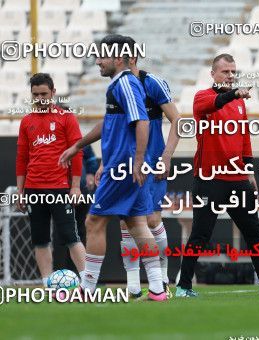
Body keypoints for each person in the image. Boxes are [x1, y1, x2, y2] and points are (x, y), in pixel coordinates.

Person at [59, 35, 167, 301]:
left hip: (122, 167)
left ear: (118, 59)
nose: (98, 62)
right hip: (126, 166)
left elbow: (142, 121)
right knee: (137, 225)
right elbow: (109, 123)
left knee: (93, 221)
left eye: (102, 57)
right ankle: (157, 289)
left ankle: (86, 289)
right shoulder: (122, 85)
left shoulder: (125, 83)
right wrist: (77, 146)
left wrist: (139, 160)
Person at [175, 53, 259, 297]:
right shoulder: (202, 97)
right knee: (200, 234)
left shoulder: (239, 103)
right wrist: (233, 93)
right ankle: (183, 286)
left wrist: (249, 171)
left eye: (233, 72)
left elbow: (244, 138)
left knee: (254, 232)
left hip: (237, 179)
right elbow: (212, 104)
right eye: (225, 72)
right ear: (213, 74)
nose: (230, 76)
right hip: (210, 179)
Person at [114, 36, 181, 298]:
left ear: (132, 58)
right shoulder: (116, 87)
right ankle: (132, 285)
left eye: (117, 57)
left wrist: (166, 157)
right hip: (124, 163)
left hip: (152, 161)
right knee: (127, 223)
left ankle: (162, 276)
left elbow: (177, 120)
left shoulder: (151, 82)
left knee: (152, 220)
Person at [16, 73, 86, 286]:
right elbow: (22, 158)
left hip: (59, 188)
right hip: (33, 189)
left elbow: (78, 153)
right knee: (39, 238)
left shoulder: (67, 118)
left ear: (54, 92)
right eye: (36, 94)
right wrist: (20, 191)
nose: (40, 98)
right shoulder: (26, 121)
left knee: (70, 235)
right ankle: (48, 283)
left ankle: (87, 281)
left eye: (44, 94)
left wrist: (75, 186)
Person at [53, 145, 98, 271]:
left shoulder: (79, 140)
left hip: (82, 192)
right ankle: (64, 272)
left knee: (82, 231)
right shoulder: (52, 140)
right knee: (63, 233)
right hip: (59, 191)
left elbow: (91, 159)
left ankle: (84, 274)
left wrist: (91, 173)